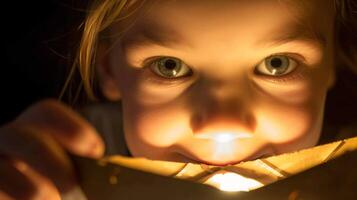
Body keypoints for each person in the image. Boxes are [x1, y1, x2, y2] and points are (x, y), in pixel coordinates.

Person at [1, 0, 356, 199]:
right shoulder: (61, 179)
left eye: (277, 65)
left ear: (331, 66)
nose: (223, 126)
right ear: (109, 70)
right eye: (169, 66)